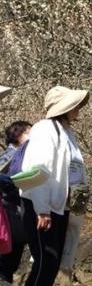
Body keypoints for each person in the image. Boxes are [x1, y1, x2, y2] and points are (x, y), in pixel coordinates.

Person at [20, 85, 89, 286]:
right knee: (45, 261)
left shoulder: (68, 132)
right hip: (42, 206)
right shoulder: (45, 129)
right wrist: (42, 209)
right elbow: (37, 169)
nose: (77, 108)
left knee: (53, 261)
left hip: (60, 206)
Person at [0, 121, 31, 284]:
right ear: (19, 134)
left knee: (10, 263)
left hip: (15, 217)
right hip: (10, 216)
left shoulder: (19, 153)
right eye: (29, 131)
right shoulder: (11, 154)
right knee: (7, 264)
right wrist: (16, 182)